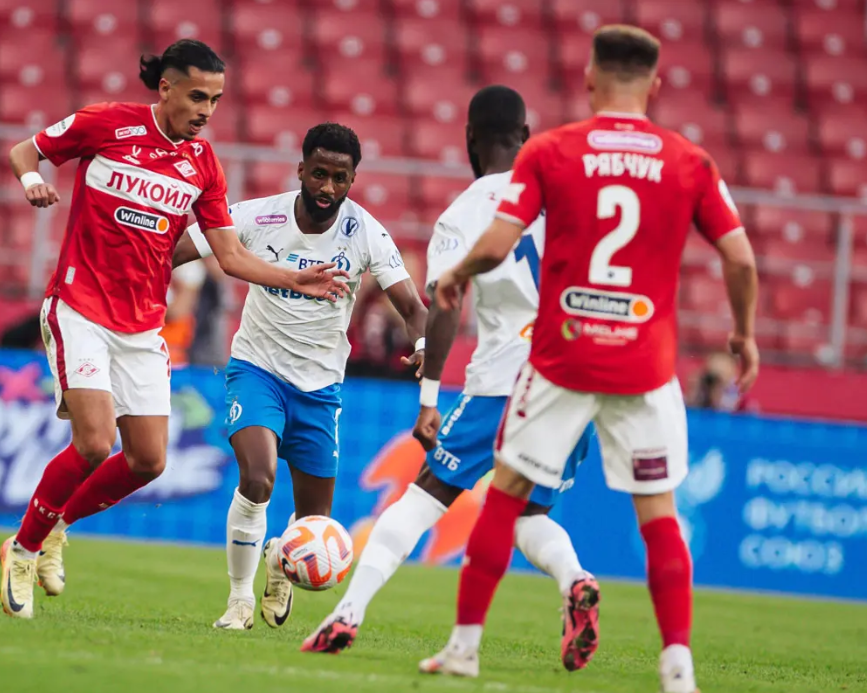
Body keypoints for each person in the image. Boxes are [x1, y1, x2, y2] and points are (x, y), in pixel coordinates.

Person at [420, 26, 759, 692]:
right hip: (644, 365)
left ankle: (463, 648)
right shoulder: (689, 160)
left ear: (588, 81)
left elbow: (498, 240)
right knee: (659, 518)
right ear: (654, 85)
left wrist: (458, 274)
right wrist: (743, 333)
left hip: (561, 360)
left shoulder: (552, 151)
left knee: (504, 503)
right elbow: (740, 258)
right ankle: (678, 668)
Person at [0, 39, 349, 620]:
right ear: (165, 88)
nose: (206, 110)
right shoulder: (106, 123)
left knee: (148, 461)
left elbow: (229, 255)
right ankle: (23, 550)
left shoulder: (203, 165)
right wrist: (31, 180)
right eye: (197, 96)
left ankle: (56, 525)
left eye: (215, 99)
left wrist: (296, 278)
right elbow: (24, 151)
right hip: (80, 305)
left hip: (142, 326)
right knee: (94, 443)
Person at [303, 87, 598, 670]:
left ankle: (348, 612)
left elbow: (445, 302)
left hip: (504, 379)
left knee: (423, 497)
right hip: (572, 378)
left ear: (469, 138)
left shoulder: (464, 214)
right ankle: (575, 580)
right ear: (526, 134)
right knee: (529, 514)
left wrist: (429, 396)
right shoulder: (565, 200)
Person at [171, 122, 429, 631]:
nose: (327, 187)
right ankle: (239, 601)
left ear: (352, 179)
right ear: (301, 169)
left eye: (339, 177)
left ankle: (279, 558)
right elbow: (176, 251)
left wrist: (422, 347)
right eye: (318, 173)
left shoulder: (366, 232)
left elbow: (414, 309)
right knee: (258, 478)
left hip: (320, 387)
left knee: (314, 524)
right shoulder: (257, 215)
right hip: (257, 370)